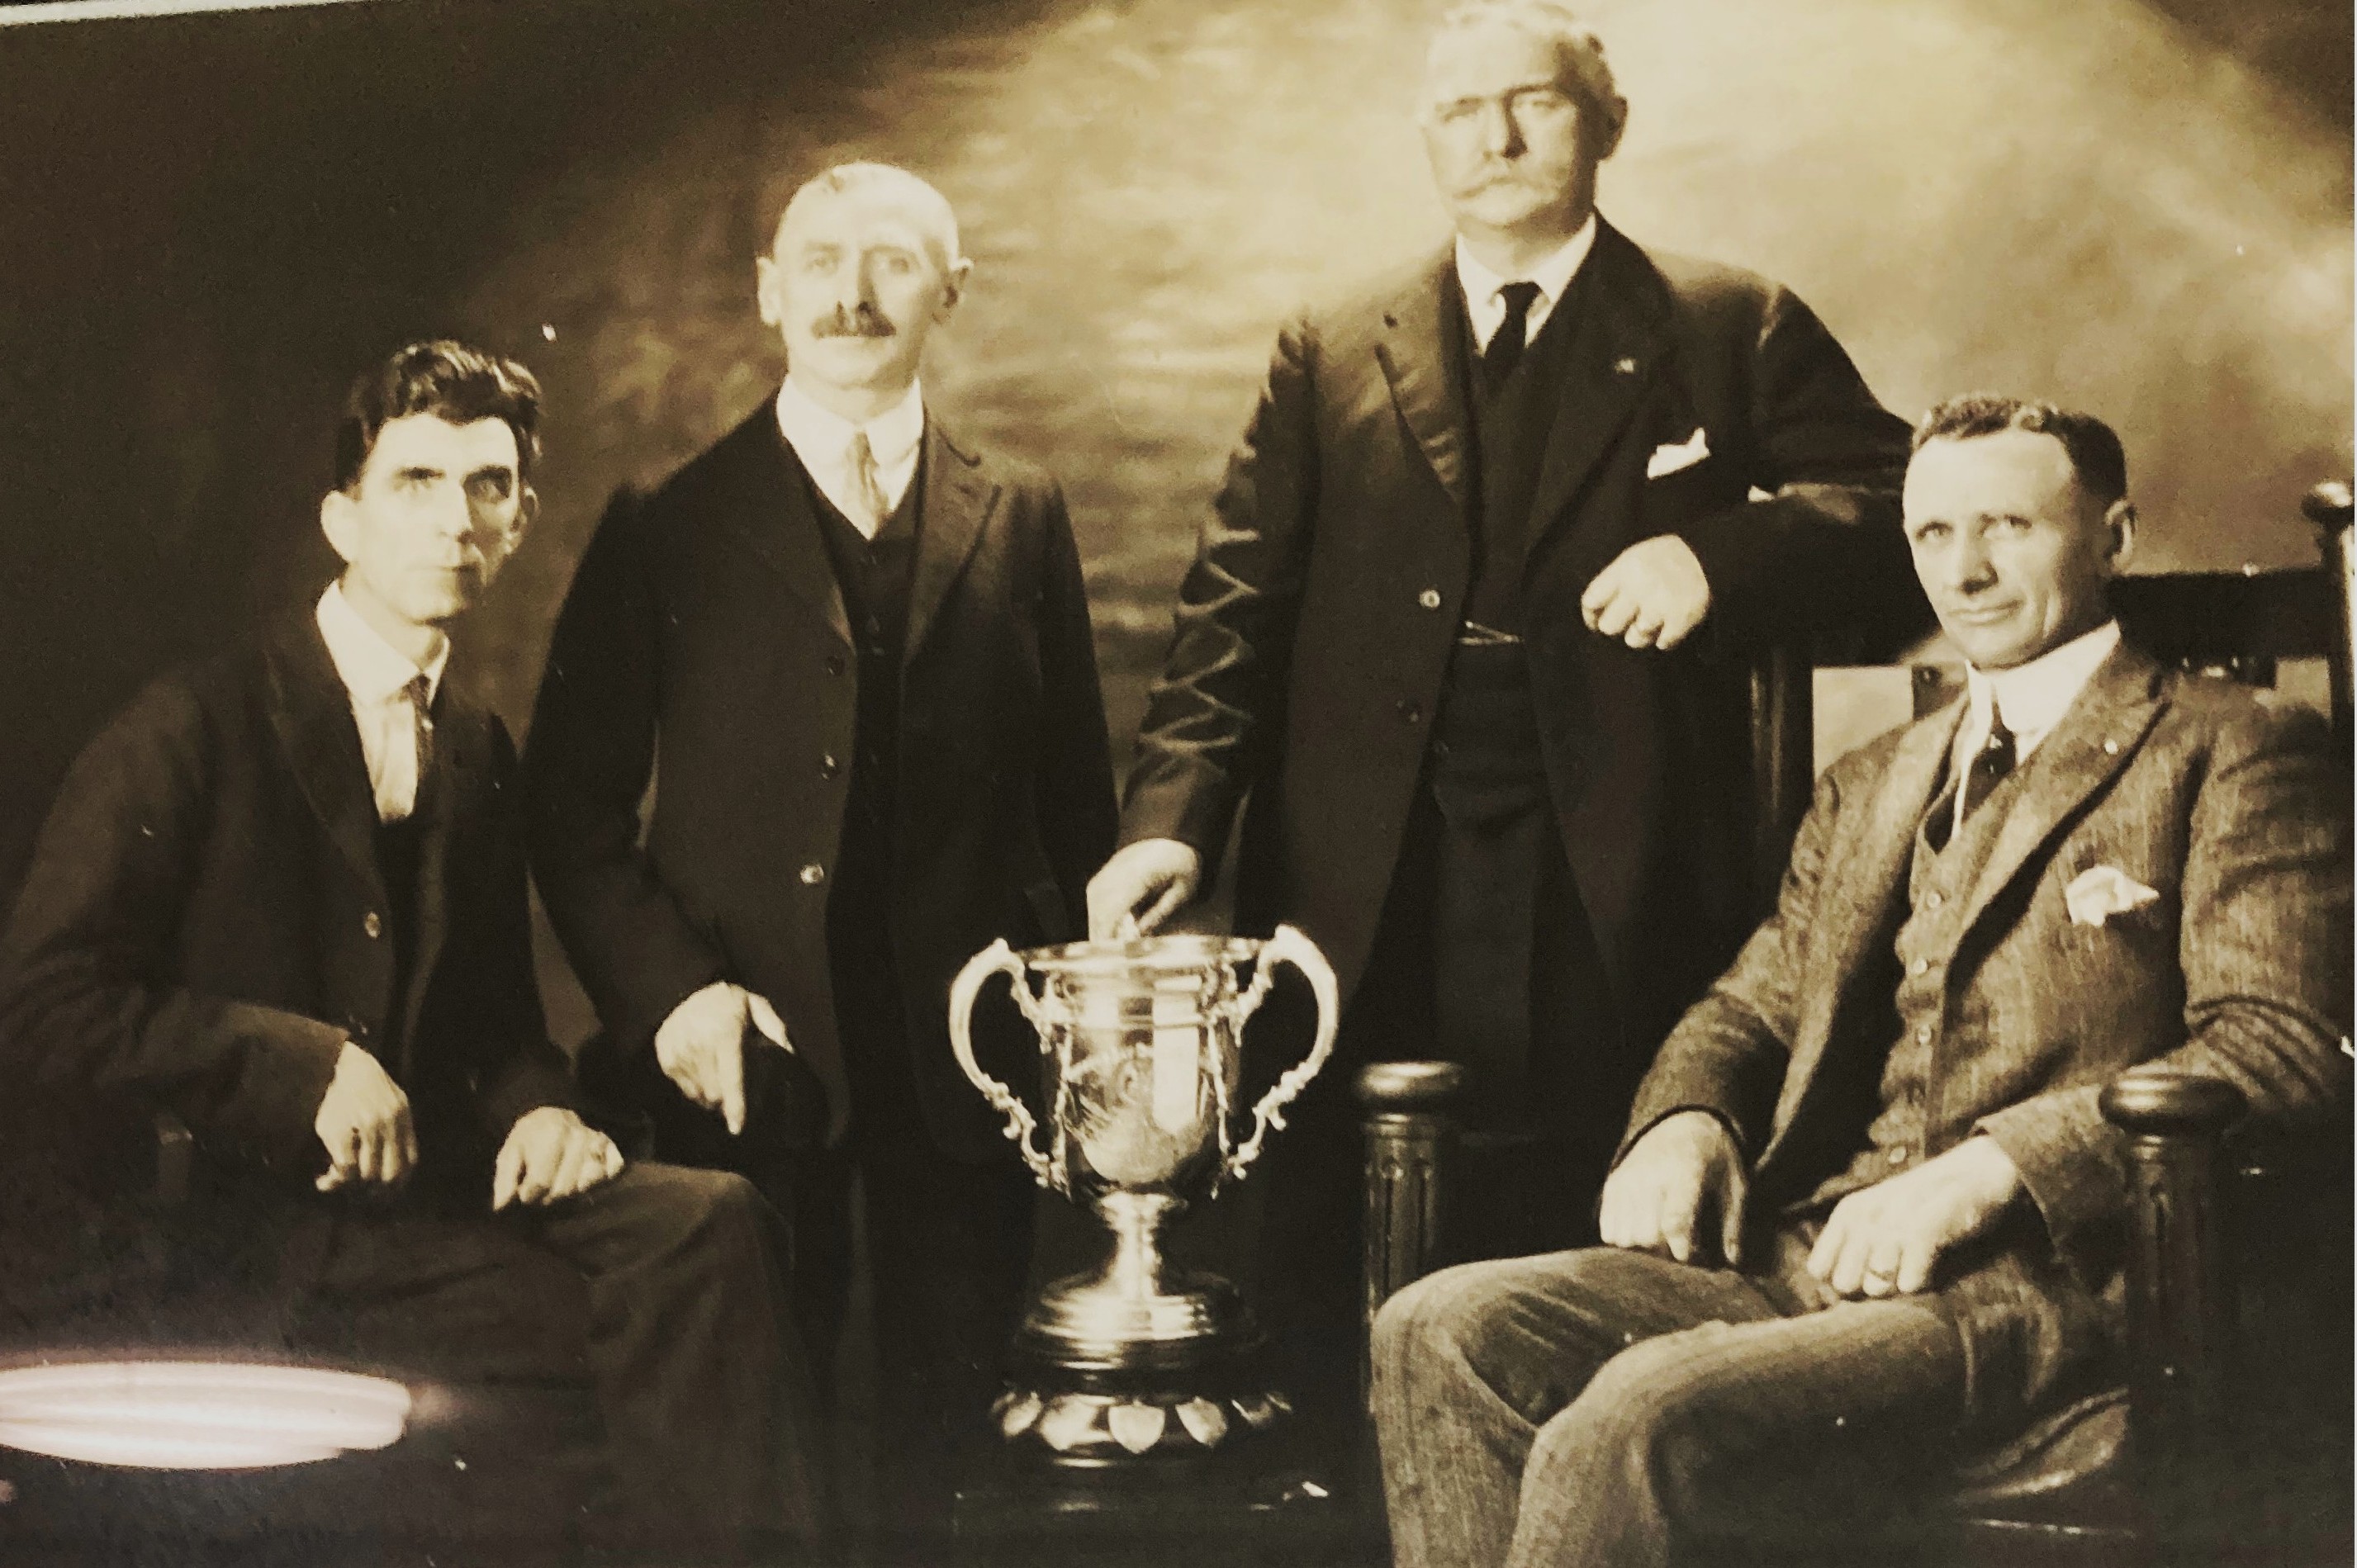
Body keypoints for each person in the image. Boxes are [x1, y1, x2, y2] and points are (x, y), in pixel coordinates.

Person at [1086, 0, 1922, 1392]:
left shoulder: (1723, 320)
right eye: (1460, 112)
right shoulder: (1332, 337)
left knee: (1603, 1229)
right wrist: (1170, 817)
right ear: (1426, 141)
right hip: (1364, 867)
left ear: (1605, 125)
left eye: (1530, 101)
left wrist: (1721, 553)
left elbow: (1906, 501)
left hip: (1626, 855)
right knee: (1341, 1229)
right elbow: (1236, 601)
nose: (1496, 135)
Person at [1369, 393, 2352, 1568]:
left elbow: (2277, 1044)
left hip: (2051, 1289)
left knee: (1636, 1416)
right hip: (1812, 1250)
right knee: (1439, 1328)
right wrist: (1681, 1119)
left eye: (2009, 528)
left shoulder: (2234, 745)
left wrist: (1990, 1170)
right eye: (1933, 535)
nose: (1967, 572)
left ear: (2115, 538)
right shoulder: (1874, 776)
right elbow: (1749, 1006)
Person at [0, 341, 823, 1560]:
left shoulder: (478, 747)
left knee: (714, 1228)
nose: (455, 521)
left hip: (410, 1218)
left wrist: (545, 1110)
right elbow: (39, 1005)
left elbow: (492, 1028)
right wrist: (303, 1067)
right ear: (344, 517)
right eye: (417, 483)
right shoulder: (196, 723)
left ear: (520, 520)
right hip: (215, 1232)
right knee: (653, 1323)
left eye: (488, 487)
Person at [521, 163, 1117, 1548]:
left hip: (967, 1074)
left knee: (955, 1440)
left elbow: (1074, 806)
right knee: (752, 1439)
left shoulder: (1020, 513)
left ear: (949, 293)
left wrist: (1070, 1017)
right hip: (743, 1066)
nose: (853, 293)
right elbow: (572, 809)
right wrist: (673, 997)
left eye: (894, 262)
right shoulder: (664, 524)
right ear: (769, 292)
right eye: (821, 261)